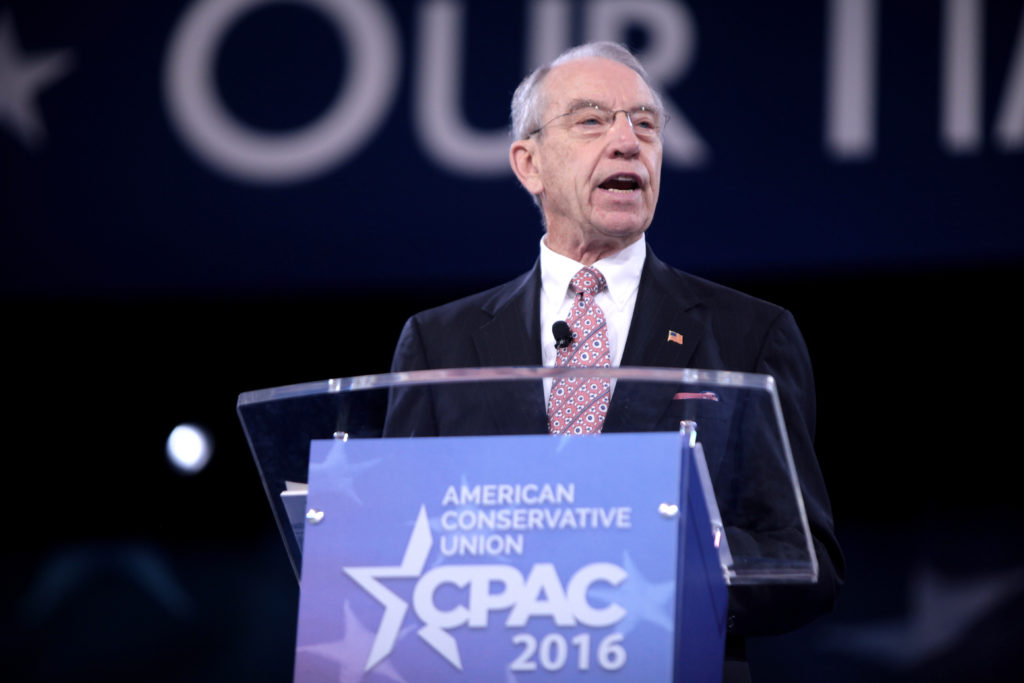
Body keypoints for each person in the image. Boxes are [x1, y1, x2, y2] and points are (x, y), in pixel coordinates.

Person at [385, 41, 843, 680]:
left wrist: (661, 566)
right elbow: (393, 546)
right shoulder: (440, 345)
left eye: (646, 124)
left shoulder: (750, 335)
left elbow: (804, 561)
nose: (628, 142)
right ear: (529, 163)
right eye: (592, 120)